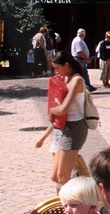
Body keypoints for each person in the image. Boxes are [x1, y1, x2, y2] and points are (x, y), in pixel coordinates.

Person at [36, 54, 90, 187]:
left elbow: (64, 108)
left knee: (63, 176)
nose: (56, 72)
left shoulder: (77, 80)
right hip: (64, 128)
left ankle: (74, 202)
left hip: (75, 128)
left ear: (67, 65)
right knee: (55, 176)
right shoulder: (65, 78)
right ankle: (82, 190)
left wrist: (52, 111)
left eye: (57, 68)